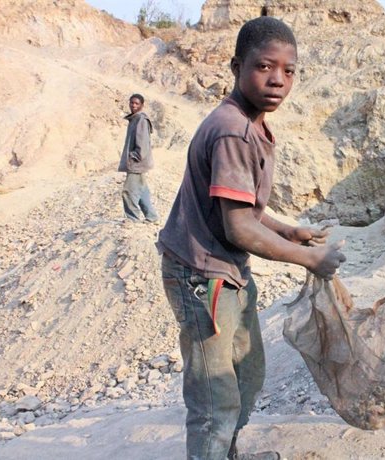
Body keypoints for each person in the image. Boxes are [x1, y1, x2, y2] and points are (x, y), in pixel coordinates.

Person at [156, 16, 346, 460]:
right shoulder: (233, 130)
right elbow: (238, 227)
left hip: (227, 270)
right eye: (264, 67)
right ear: (237, 66)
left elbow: (244, 210)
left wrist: (288, 231)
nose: (278, 80)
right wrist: (309, 259)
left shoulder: (251, 123)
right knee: (214, 395)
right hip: (201, 276)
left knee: (247, 374)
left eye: (289, 70)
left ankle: (229, 453)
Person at [118, 93, 159, 222]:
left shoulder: (141, 120)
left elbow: (142, 143)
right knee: (142, 191)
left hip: (137, 163)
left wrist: (133, 156)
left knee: (128, 191)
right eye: (132, 103)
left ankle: (132, 219)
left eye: (136, 103)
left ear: (142, 105)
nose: (133, 105)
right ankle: (152, 217)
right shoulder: (135, 118)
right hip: (137, 162)